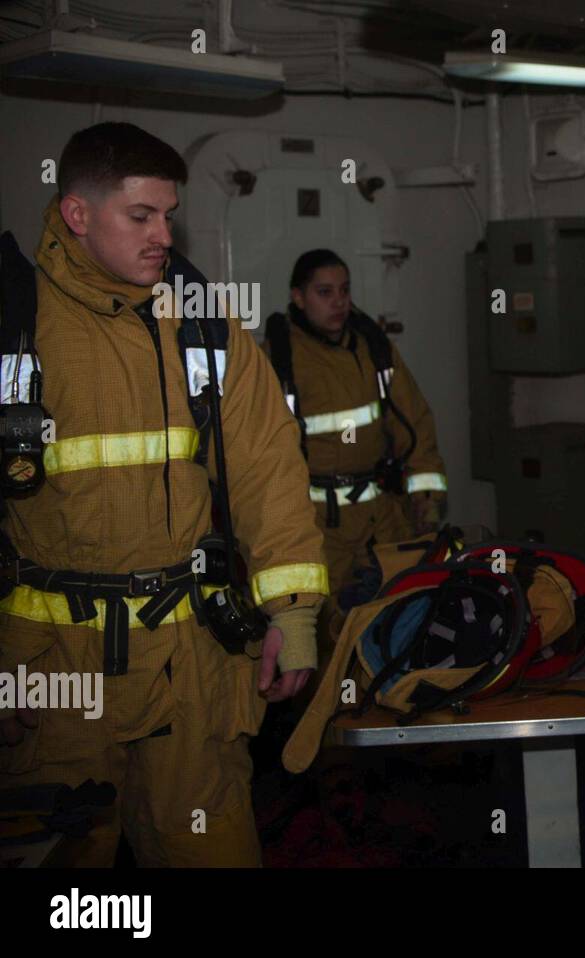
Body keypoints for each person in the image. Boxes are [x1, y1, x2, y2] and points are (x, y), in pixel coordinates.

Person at [0, 122, 328, 866]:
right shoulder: (15, 326)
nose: (163, 236)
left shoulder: (205, 325)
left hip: (193, 666)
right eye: (140, 216)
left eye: (168, 215)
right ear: (77, 215)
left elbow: (269, 472)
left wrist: (295, 613)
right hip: (53, 676)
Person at [263, 250, 447, 605]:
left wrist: (427, 499)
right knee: (324, 628)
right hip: (316, 527)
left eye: (344, 291)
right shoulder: (279, 361)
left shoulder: (374, 350)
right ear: (298, 297)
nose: (339, 302)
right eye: (324, 292)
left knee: (394, 617)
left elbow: (416, 425)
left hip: (382, 520)